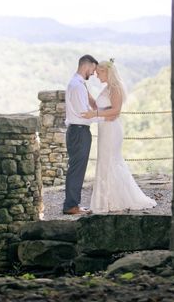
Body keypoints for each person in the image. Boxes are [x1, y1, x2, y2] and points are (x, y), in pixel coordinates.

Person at [81, 59, 157, 214]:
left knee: (111, 161)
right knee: (105, 161)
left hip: (112, 130)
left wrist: (94, 114)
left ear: (106, 72)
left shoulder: (115, 88)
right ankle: (105, 200)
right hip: (105, 128)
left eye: (98, 73)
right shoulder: (107, 88)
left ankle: (113, 200)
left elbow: (115, 111)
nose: (96, 76)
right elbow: (101, 107)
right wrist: (88, 97)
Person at [63, 54, 104, 215]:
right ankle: (71, 206)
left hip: (77, 131)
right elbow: (84, 112)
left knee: (76, 168)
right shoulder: (78, 86)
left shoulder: (77, 84)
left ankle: (73, 204)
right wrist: (106, 116)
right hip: (79, 131)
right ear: (87, 66)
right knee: (77, 169)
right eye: (93, 69)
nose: (94, 73)